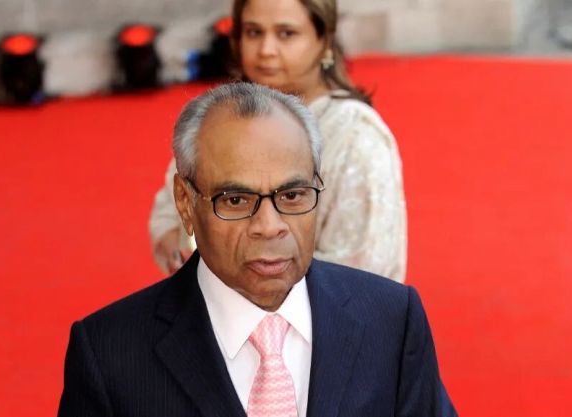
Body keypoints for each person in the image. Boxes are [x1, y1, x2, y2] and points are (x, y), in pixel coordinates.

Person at [58, 83, 456, 416]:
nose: (270, 226)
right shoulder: (110, 354)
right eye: (236, 200)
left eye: (293, 195)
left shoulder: (391, 320)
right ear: (185, 202)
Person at [149, 0, 407, 282]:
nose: (266, 50)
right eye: (254, 32)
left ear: (325, 40)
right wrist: (180, 248)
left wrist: (241, 273)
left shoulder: (354, 136)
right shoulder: (220, 120)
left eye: (286, 34)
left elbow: (362, 275)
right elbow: (171, 211)